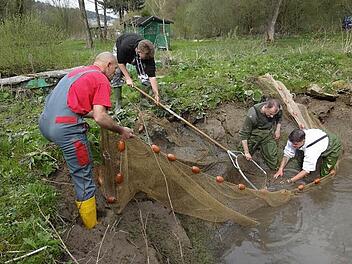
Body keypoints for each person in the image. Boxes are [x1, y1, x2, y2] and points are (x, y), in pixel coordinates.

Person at [39, 52, 134, 229]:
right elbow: (99, 117)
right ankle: (91, 225)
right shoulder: (101, 80)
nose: (114, 74)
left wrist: (104, 116)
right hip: (65, 130)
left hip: (45, 123)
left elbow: (77, 106)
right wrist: (121, 129)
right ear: (109, 65)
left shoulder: (78, 72)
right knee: (83, 174)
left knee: (77, 160)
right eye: (115, 70)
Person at [111, 32, 160, 114]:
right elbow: (120, 63)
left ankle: (144, 101)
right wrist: (128, 78)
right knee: (117, 72)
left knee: (145, 76)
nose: (148, 59)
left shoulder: (148, 52)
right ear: (138, 51)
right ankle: (118, 105)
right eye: (146, 57)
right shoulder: (125, 46)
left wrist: (156, 94)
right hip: (120, 47)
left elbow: (152, 76)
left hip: (136, 52)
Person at [274, 128, 342, 183]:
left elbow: (306, 170)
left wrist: (290, 180)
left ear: (303, 141)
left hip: (331, 144)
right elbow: (287, 154)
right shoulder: (293, 139)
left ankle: (330, 172)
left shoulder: (312, 149)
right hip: (320, 135)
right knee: (302, 157)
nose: (293, 145)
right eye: (292, 143)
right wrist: (280, 169)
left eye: (296, 144)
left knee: (325, 171)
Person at [239, 99, 282, 170]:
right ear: (266, 107)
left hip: (267, 133)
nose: (272, 117)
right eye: (271, 114)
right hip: (254, 133)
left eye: (273, 115)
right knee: (242, 153)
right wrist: (246, 152)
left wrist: (278, 129)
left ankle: (274, 169)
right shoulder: (252, 114)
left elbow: (279, 117)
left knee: (272, 156)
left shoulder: (278, 109)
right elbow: (244, 134)